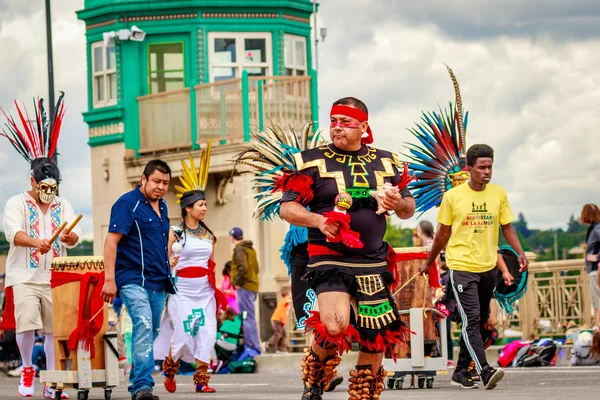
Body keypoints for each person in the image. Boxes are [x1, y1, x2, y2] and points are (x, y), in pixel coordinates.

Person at [280, 97, 415, 400]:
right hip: (330, 256)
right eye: (333, 122)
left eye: (345, 122)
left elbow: (408, 209)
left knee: (375, 335)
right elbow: (287, 208)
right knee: (334, 324)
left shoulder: (388, 161)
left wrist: (398, 204)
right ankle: (316, 375)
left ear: (364, 127)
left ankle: (364, 393)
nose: (337, 128)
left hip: (373, 261)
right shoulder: (309, 161)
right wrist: (318, 220)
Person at [419, 144, 528, 390]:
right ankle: (485, 370)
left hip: (487, 266)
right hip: (461, 266)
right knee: (471, 318)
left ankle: (459, 372)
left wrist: (520, 253)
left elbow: (507, 227)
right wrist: (430, 261)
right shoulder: (453, 197)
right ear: (469, 169)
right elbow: (441, 233)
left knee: (479, 321)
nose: (487, 172)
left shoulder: (498, 193)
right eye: (482, 167)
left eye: (490, 167)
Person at [2, 93, 79, 399]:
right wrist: (38, 242)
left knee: (52, 330)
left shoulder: (63, 204)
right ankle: (26, 367)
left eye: (53, 188)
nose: (48, 193)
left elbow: (73, 233)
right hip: (24, 276)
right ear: (31, 181)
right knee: (26, 325)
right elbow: (15, 234)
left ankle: (50, 378)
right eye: (43, 187)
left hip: (54, 277)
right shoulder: (15, 203)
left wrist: (70, 238)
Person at [155, 144, 228, 393]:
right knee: (185, 335)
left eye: (205, 204)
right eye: (200, 205)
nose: (205, 208)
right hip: (182, 290)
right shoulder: (175, 232)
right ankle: (170, 368)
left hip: (205, 290)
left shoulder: (209, 234)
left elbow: (211, 264)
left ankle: (202, 381)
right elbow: (162, 258)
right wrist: (169, 262)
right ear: (188, 208)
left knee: (208, 333)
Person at [101, 159, 175, 400]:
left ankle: (137, 379)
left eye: (165, 183)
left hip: (158, 281)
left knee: (151, 331)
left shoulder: (163, 206)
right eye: (156, 181)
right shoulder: (126, 204)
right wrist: (109, 280)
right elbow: (111, 242)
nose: (161, 187)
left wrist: (168, 263)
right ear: (143, 179)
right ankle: (142, 386)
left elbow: (161, 243)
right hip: (132, 279)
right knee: (143, 324)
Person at [228, 227, 261, 353]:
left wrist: (237, 283)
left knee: (247, 317)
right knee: (250, 316)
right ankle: (254, 346)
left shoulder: (239, 249)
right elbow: (256, 268)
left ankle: (252, 347)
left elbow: (242, 267)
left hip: (244, 287)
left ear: (232, 237)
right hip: (252, 285)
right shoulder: (250, 249)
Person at [581, 204, 600, 326]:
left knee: (597, 302)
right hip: (595, 270)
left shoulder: (597, 229)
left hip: (595, 270)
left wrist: (596, 257)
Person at [265, 286, 292, 353]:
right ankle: (268, 344)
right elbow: (290, 300)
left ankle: (281, 349)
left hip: (280, 320)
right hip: (277, 320)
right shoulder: (286, 298)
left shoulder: (284, 299)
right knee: (278, 334)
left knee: (283, 334)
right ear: (288, 293)